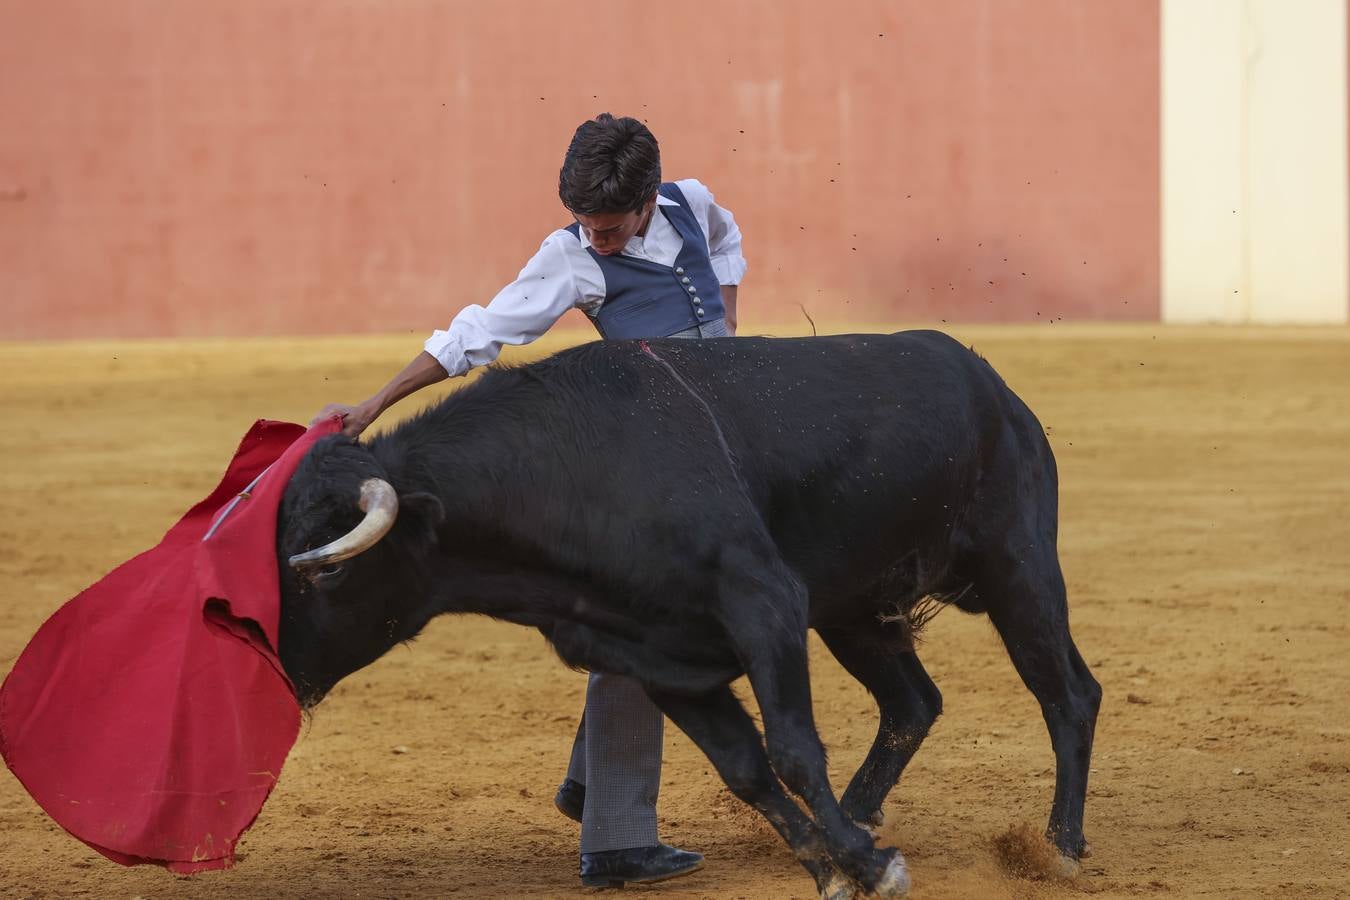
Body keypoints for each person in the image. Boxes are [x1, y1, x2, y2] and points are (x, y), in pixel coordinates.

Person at [313, 113, 746, 888]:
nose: (597, 239)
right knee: (645, 620)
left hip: (720, 454)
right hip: (639, 466)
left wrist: (732, 329)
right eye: (586, 224)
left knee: (705, 618)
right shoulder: (568, 259)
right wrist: (376, 403)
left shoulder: (692, 202)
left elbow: (726, 242)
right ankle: (616, 839)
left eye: (610, 227)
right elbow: (477, 334)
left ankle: (592, 785)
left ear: (649, 200)